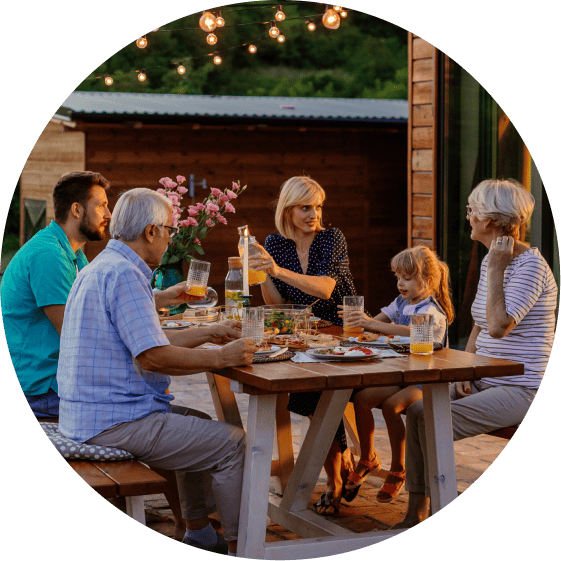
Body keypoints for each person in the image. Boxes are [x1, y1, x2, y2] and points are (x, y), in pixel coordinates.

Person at [57, 188, 257, 555]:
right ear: (150, 232)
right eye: (168, 230)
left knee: (197, 421)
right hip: (112, 423)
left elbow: (147, 338)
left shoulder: (102, 266)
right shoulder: (125, 274)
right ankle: (241, 547)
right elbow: (152, 357)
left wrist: (212, 333)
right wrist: (222, 357)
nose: (170, 238)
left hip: (86, 414)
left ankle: (198, 531)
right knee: (235, 446)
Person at [394, 178, 558, 529]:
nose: (468, 215)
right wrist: (466, 371)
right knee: (417, 410)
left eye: (473, 209)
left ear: (492, 220)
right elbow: (480, 327)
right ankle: (417, 510)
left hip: (523, 388)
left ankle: (439, 510)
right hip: (485, 377)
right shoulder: (490, 262)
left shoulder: (529, 266)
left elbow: (499, 325)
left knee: (431, 420)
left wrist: (498, 268)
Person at [1, 171, 195, 419]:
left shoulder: (72, 253)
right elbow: (77, 331)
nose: (109, 214)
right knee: (160, 407)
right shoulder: (48, 256)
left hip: (58, 382)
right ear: (77, 210)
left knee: (164, 406)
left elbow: (94, 307)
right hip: (43, 390)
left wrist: (165, 297)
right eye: (101, 205)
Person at [249, 176, 359, 516]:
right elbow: (276, 303)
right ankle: (337, 468)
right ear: (288, 209)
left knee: (317, 395)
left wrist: (277, 269)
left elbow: (326, 289)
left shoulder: (331, 238)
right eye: (305, 207)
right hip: (303, 336)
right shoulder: (275, 243)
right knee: (308, 393)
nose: (314, 214)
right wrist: (262, 271)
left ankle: (334, 478)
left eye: (318, 206)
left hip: (342, 332)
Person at [341, 246, 454, 503]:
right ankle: (368, 458)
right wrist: (361, 325)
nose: (400, 283)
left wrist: (373, 325)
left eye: (407, 278)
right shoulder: (402, 301)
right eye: (398, 277)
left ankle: (398, 469)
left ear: (428, 280)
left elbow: (413, 332)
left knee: (392, 406)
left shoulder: (431, 311)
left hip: (428, 379)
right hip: (404, 374)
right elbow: (378, 322)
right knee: (362, 399)